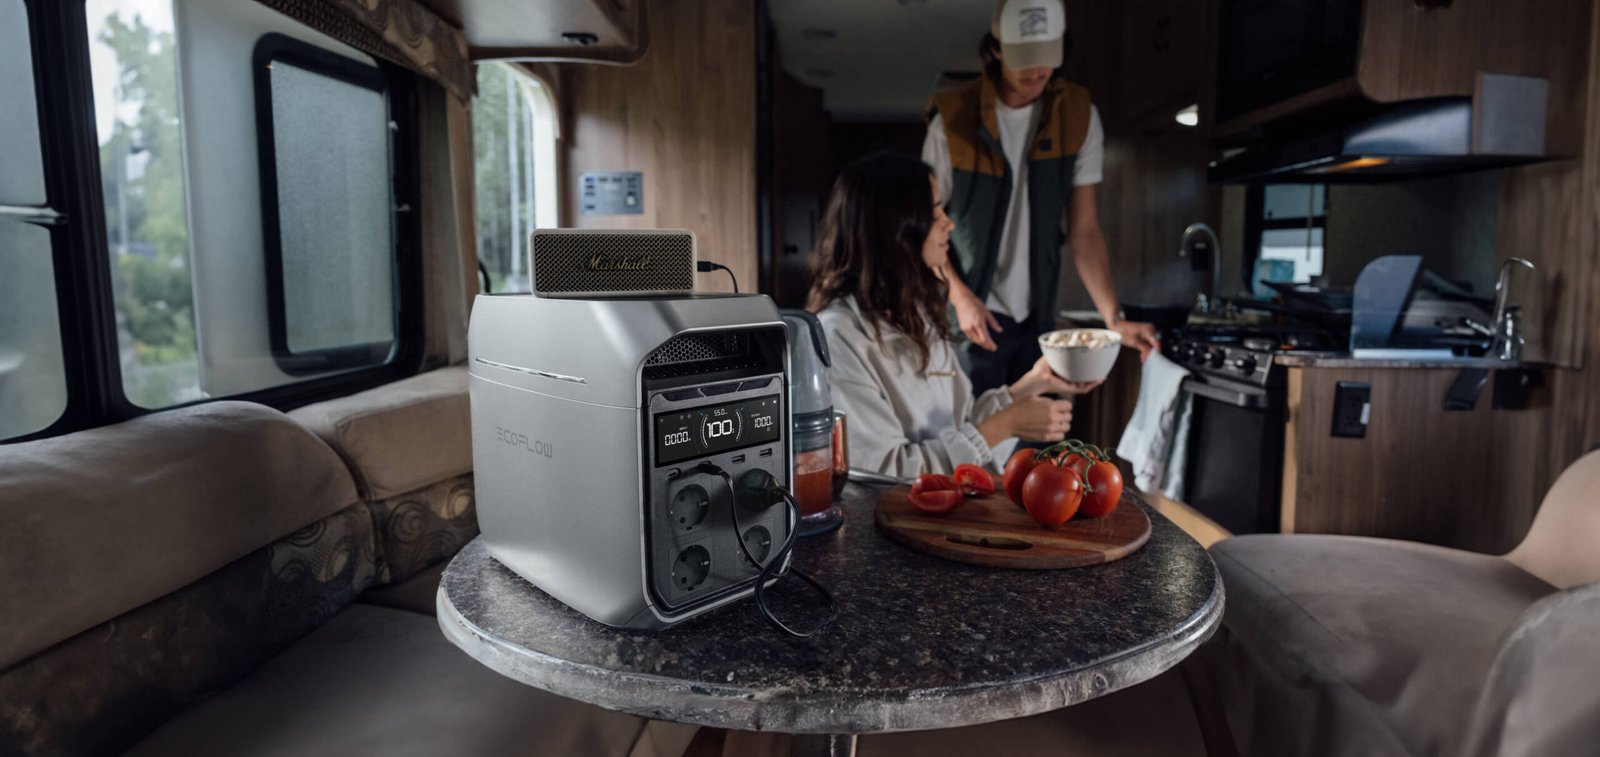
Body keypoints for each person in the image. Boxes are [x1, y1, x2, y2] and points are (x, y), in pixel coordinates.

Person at [808, 152, 1098, 477]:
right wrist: (1005, 426)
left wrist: (1032, 383)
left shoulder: (917, 311)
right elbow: (881, 471)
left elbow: (962, 423)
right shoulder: (838, 336)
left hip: (951, 506)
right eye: (934, 213)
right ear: (896, 228)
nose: (949, 222)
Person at [922, 0, 1159, 395]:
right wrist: (960, 298)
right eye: (1025, 60)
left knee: (1033, 442)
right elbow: (924, 225)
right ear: (996, 50)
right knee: (969, 438)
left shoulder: (1079, 114)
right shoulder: (952, 120)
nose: (1037, 72)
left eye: (1047, 59)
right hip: (969, 317)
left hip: (1037, 320)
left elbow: (1084, 231)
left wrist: (1112, 318)